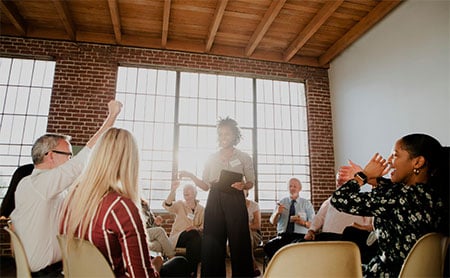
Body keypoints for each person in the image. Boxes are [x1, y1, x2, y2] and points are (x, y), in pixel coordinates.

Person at [10, 100, 122, 276]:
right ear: (51, 156)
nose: (71, 159)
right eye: (69, 155)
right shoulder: (39, 183)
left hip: (53, 267)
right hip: (49, 273)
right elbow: (82, 161)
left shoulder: (39, 185)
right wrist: (111, 117)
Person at [60, 128, 190, 277]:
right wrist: (155, 267)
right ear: (131, 162)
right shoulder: (121, 206)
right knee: (180, 264)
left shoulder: (71, 197)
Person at [331, 133, 449, 277]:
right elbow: (392, 191)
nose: (389, 161)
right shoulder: (432, 195)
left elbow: (339, 199)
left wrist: (363, 176)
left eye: (395, 155)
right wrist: (372, 179)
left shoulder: (397, 199)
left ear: (418, 162)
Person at [179, 117, 255, 277]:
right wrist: (191, 176)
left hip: (235, 198)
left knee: (239, 241)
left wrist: (243, 186)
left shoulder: (244, 157)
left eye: (227, 134)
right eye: (220, 134)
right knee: (212, 242)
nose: (223, 138)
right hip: (214, 199)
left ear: (235, 135)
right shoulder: (211, 158)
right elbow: (206, 186)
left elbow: (251, 182)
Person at [304, 173, 376, 263]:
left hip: (350, 241)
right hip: (328, 240)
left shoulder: (362, 201)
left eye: (343, 182)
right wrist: (311, 230)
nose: (339, 184)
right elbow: (319, 217)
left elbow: (370, 224)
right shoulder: (330, 200)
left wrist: (361, 228)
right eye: (338, 181)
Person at [263, 177, 315, 260]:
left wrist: (303, 222)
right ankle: (279, 268)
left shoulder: (306, 204)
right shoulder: (282, 202)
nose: (292, 188)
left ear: (300, 188)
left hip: (300, 236)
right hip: (284, 236)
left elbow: (313, 225)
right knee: (269, 247)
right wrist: (277, 213)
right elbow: (272, 222)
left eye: (295, 186)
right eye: (290, 186)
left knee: (298, 250)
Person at [163, 182, 204, 276]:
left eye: (188, 193)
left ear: (194, 194)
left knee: (195, 238)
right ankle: (191, 271)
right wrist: (173, 190)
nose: (186, 196)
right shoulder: (180, 204)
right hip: (179, 237)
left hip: (194, 237)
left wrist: (196, 228)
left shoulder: (201, 209)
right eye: (184, 194)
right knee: (194, 236)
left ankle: (190, 272)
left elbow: (203, 226)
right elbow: (167, 205)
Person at [244, 189, 262, 277]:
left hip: (254, 234)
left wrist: (243, 226)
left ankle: (250, 265)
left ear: (247, 192)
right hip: (237, 235)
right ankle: (253, 264)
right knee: (233, 243)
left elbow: (257, 226)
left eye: (243, 191)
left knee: (247, 234)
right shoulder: (232, 206)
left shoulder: (254, 205)